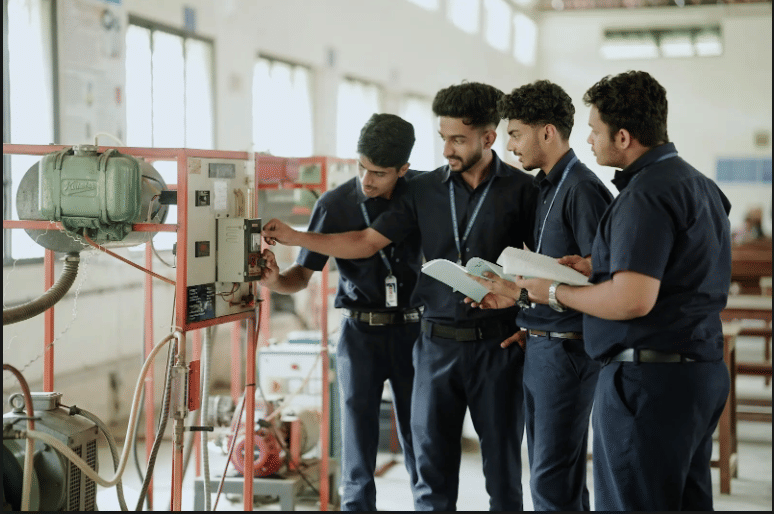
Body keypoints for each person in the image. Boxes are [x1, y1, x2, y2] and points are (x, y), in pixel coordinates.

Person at [262, 82, 538, 510]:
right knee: (394, 459)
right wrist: (286, 256)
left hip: (458, 337)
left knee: (466, 462)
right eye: (443, 137)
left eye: (457, 139)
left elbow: (540, 264)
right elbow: (354, 247)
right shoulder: (380, 198)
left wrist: (530, 320)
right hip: (399, 339)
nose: (447, 149)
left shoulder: (491, 191)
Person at [484, 70, 732, 511]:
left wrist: (555, 292)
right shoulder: (696, 184)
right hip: (697, 370)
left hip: (648, 381)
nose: (590, 140)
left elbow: (632, 298)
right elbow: (679, 264)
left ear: (623, 137)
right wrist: (597, 264)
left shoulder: (644, 194)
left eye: (595, 131)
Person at [258, 113, 423, 511]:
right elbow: (301, 276)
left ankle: (428, 504)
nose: (366, 180)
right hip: (359, 333)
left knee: (421, 433)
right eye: (361, 167)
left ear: (403, 169)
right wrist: (274, 280)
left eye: (380, 173)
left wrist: (294, 234)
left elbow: (364, 243)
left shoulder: (418, 195)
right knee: (357, 433)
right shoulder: (334, 205)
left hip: (413, 331)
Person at [471, 80, 613, 511]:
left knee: (552, 481)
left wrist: (536, 309)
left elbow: (599, 281)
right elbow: (552, 275)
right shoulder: (548, 187)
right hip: (542, 343)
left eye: (515, 133)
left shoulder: (582, 189)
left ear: (547, 132)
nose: (509, 144)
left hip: (567, 352)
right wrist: (528, 319)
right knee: (553, 479)